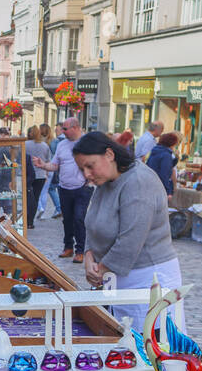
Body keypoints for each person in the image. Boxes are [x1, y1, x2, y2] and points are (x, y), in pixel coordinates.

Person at [73, 132, 182, 330]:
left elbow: (131, 240)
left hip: (147, 279)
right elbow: (93, 223)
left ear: (109, 154)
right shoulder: (105, 180)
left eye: (90, 166)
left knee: (148, 344)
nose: (86, 174)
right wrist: (89, 256)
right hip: (114, 278)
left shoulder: (139, 182)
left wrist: (99, 269)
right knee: (120, 341)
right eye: (82, 169)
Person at [32, 116, 89, 262]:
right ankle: (68, 246)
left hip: (82, 187)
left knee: (79, 218)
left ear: (75, 128)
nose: (62, 131)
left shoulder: (86, 143)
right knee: (67, 219)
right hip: (64, 188)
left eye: (65, 128)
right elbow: (55, 165)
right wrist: (43, 165)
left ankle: (80, 250)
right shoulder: (62, 145)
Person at [24, 125, 51, 230]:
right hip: (41, 175)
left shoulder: (25, 144)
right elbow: (48, 160)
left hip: (27, 174)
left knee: (28, 198)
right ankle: (30, 221)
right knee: (35, 198)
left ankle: (26, 219)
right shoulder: (45, 146)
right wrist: (47, 174)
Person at [145, 131, 180, 196]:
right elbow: (165, 174)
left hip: (149, 184)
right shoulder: (166, 155)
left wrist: (175, 159)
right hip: (159, 188)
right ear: (171, 144)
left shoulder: (156, 151)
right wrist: (167, 192)